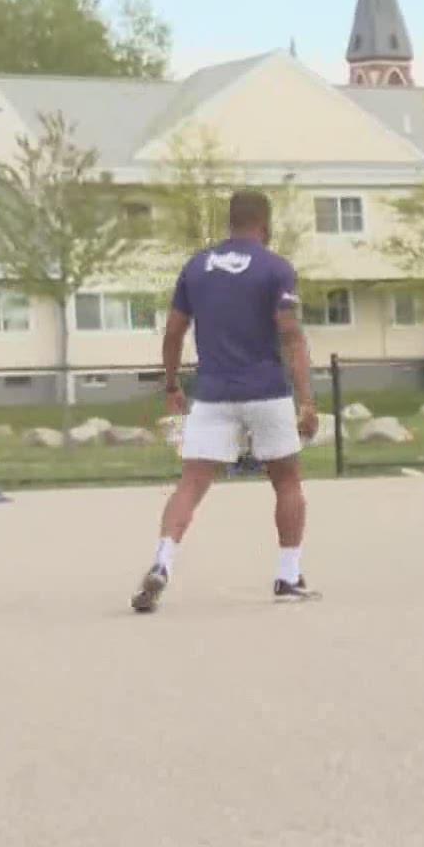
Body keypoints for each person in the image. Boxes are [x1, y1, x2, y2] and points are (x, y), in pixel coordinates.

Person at [130, 191, 320, 612]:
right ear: (265, 224)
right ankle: (288, 575)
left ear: (228, 222)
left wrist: (172, 385)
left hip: (213, 393)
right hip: (267, 390)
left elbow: (174, 331)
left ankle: (163, 561)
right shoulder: (275, 268)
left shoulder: (197, 267)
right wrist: (306, 401)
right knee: (286, 480)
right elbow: (290, 333)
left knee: (192, 482)